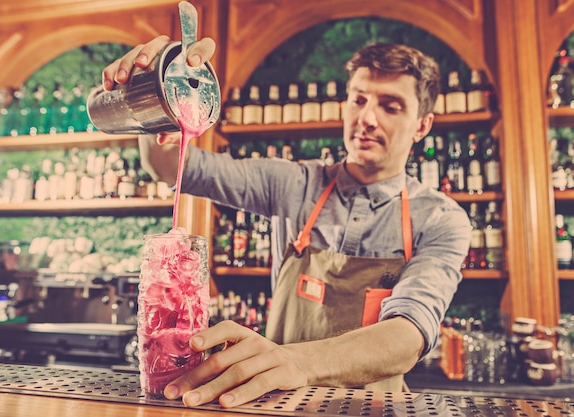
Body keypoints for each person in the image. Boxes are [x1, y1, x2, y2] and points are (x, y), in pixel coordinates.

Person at [102, 35, 471, 408]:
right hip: (283, 407)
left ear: (422, 125)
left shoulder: (441, 219)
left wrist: (297, 360)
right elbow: (168, 166)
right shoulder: (294, 183)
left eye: (391, 106)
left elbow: (409, 336)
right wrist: (151, 93)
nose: (367, 118)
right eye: (359, 99)